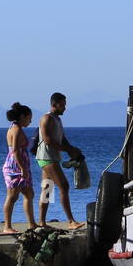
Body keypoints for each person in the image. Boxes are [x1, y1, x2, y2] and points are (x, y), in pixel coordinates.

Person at [36, 92, 85, 229]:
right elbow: (48, 140)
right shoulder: (46, 118)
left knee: (47, 189)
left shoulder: (57, 120)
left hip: (52, 158)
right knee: (64, 186)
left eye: (65, 105)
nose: (65, 108)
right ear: (54, 105)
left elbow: (61, 138)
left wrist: (72, 149)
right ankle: (71, 221)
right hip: (46, 157)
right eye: (62, 105)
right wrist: (66, 149)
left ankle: (41, 222)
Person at [1, 103, 37, 234]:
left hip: (21, 165)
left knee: (29, 193)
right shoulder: (16, 130)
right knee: (12, 196)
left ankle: (32, 224)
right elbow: (15, 151)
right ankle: (7, 226)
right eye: (29, 118)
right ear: (22, 117)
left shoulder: (16, 128)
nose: (30, 121)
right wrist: (23, 168)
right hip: (15, 167)